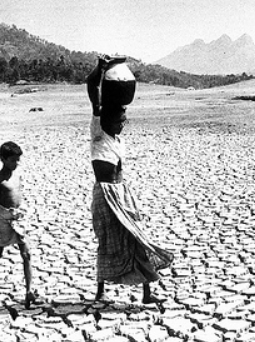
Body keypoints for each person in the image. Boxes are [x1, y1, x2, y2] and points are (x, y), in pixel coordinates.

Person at [87, 55, 174, 304]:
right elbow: (92, 87)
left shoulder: (119, 141)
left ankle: (147, 293)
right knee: (107, 243)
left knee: (137, 239)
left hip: (121, 193)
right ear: (106, 119)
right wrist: (100, 68)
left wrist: (130, 199)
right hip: (105, 195)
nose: (124, 123)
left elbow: (121, 172)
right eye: (120, 119)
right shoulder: (99, 133)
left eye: (125, 119)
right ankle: (100, 290)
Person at [0, 141, 37, 309]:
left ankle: (29, 291)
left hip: (18, 217)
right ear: (3, 159)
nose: (16, 163)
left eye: (18, 160)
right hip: (3, 218)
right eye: (12, 160)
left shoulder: (17, 174)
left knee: (26, 253)